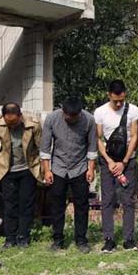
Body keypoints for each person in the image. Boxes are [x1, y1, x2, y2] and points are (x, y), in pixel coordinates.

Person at [40, 97, 98, 253]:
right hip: (58, 167)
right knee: (57, 204)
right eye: (69, 116)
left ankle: (81, 240)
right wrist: (47, 170)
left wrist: (91, 169)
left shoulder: (89, 120)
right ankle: (58, 239)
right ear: (62, 111)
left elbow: (92, 147)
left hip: (80, 168)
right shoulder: (52, 119)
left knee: (82, 205)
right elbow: (45, 148)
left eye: (75, 116)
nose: (72, 119)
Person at [0, 102, 43, 249]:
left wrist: (43, 169)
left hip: (28, 169)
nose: (11, 125)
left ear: (20, 116)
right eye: (8, 122)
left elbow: (41, 148)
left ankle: (23, 237)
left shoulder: (33, 125)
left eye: (14, 122)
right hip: (6, 171)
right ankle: (10, 239)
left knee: (26, 205)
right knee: (10, 206)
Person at [95, 80, 138, 253]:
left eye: (121, 100)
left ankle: (129, 239)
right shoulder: (100, 112)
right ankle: (108, 239)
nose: (119, 103)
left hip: (128, 161)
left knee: (128, 200)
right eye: (115, 101)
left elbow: (135, 136)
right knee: (107, 200)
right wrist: (110, 161)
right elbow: (98, 138)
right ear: (109, 96)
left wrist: (125, 161)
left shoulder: (133, 110)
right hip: (108, 162)